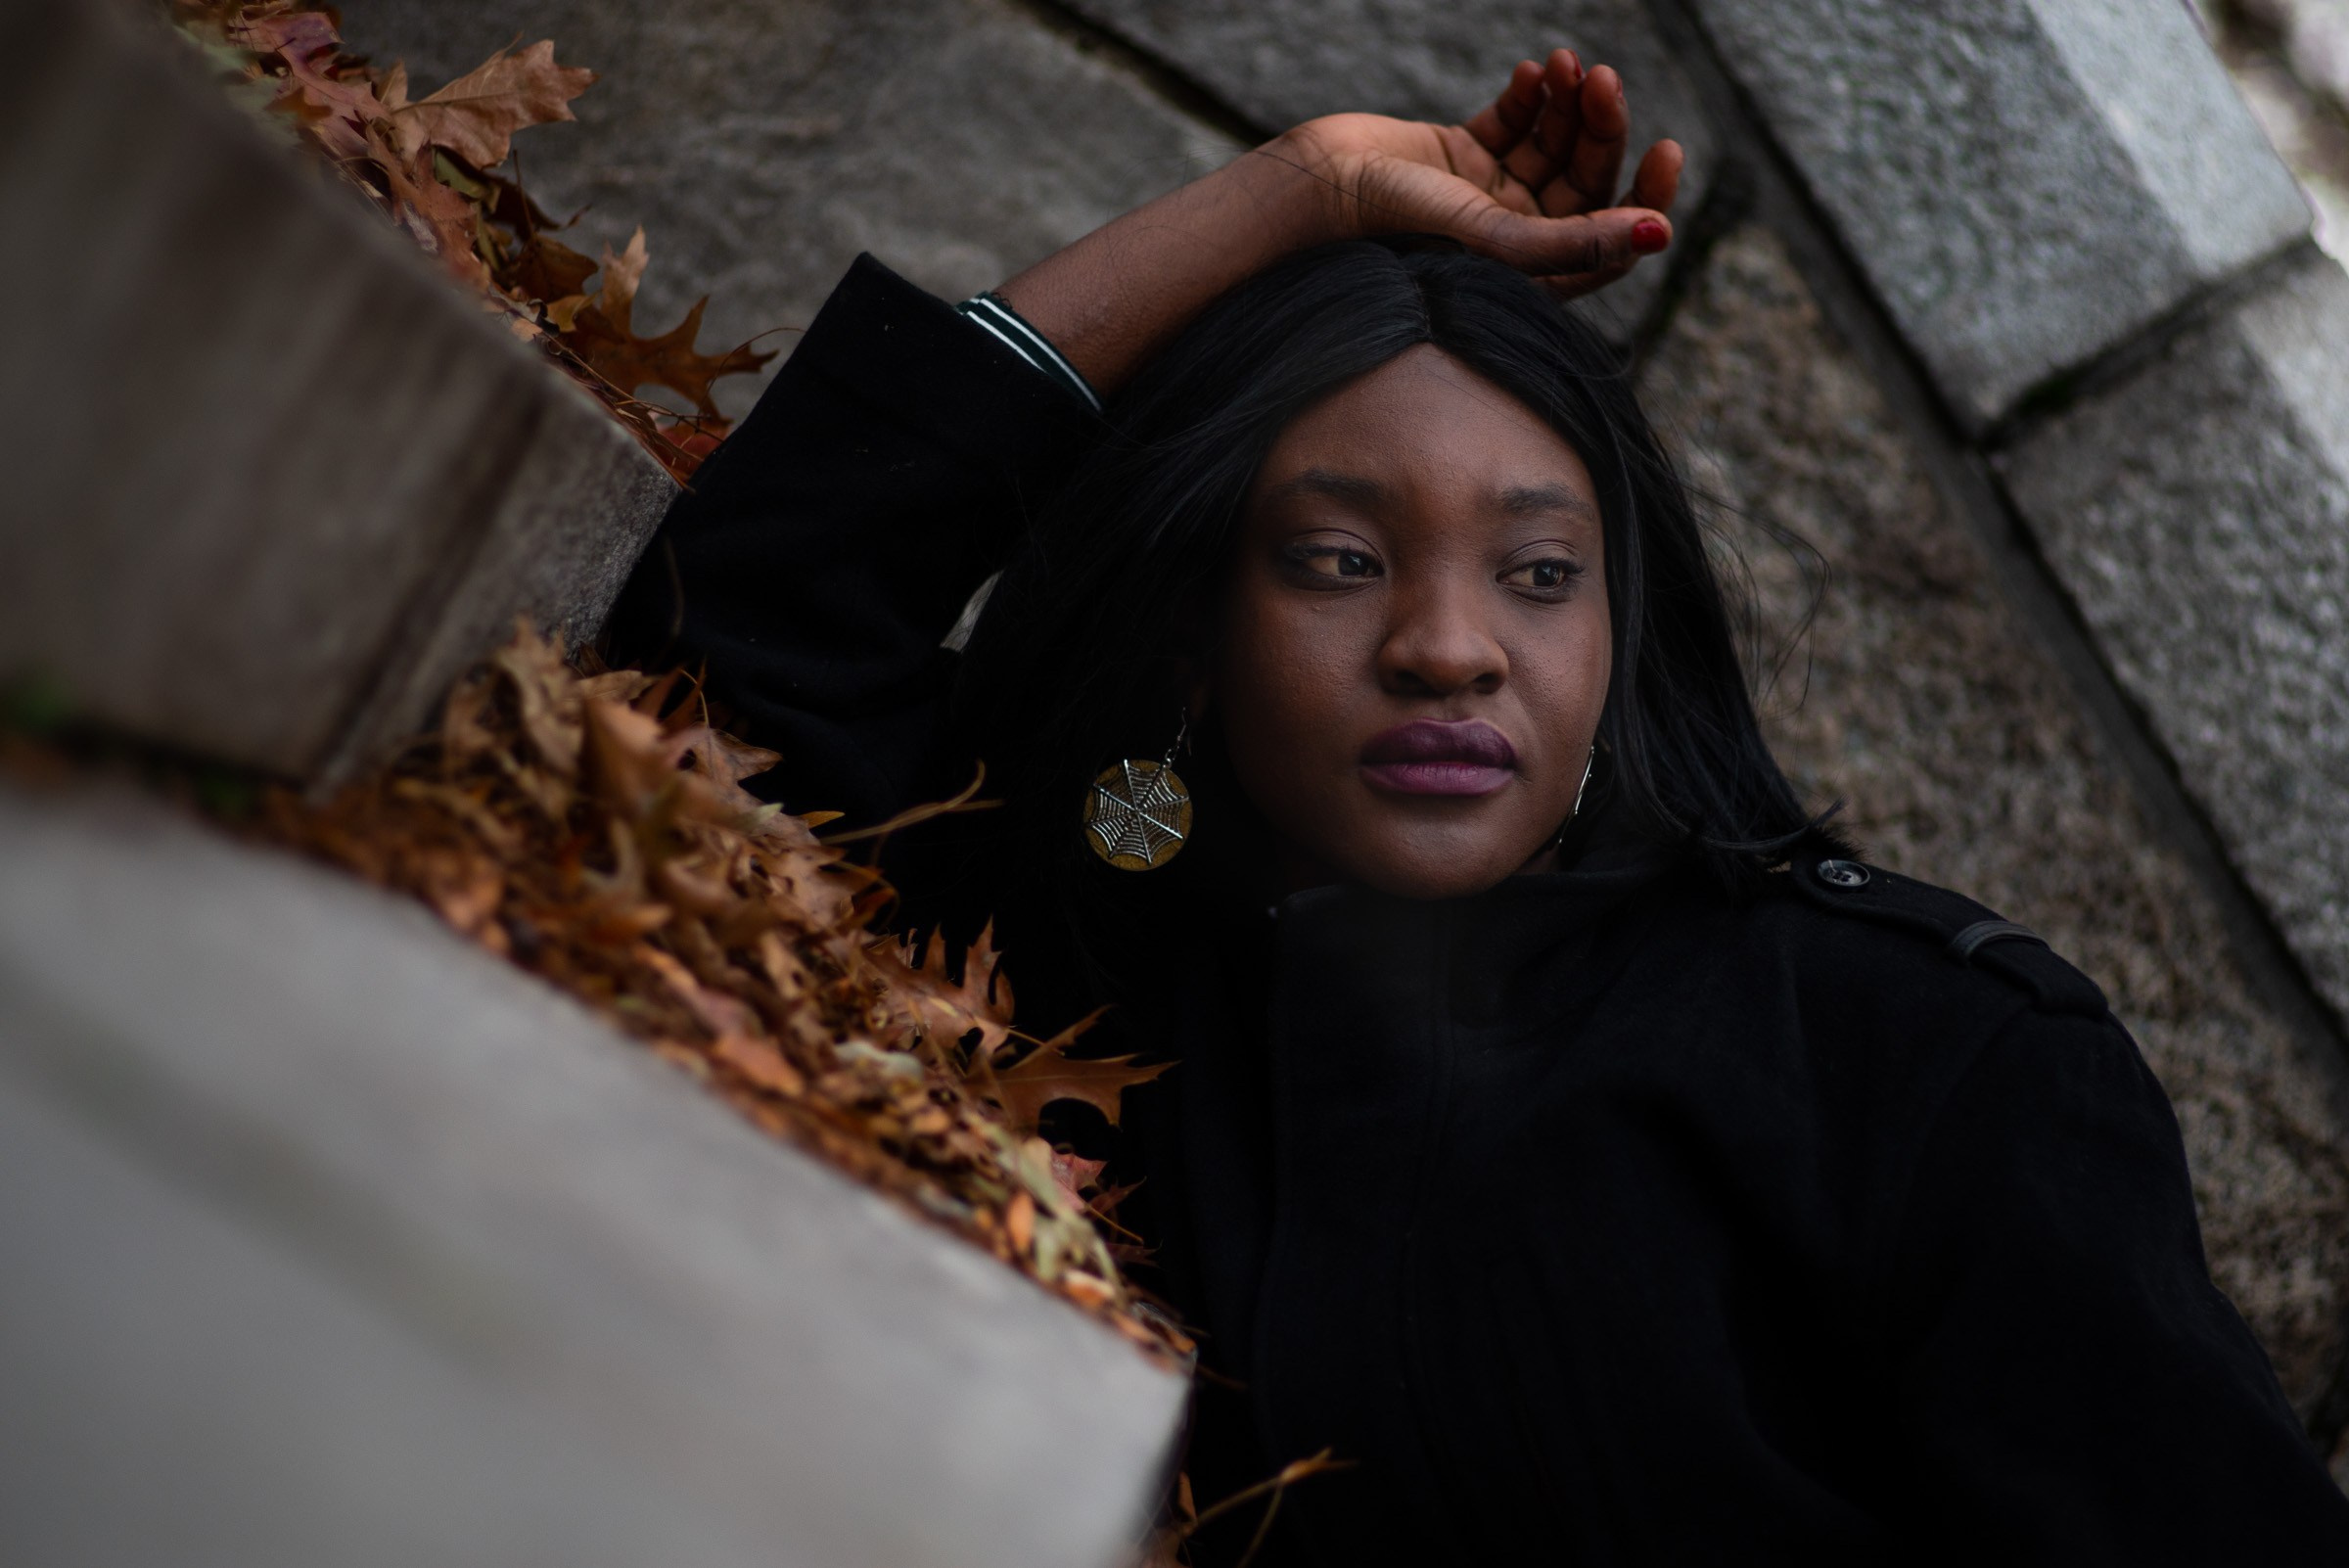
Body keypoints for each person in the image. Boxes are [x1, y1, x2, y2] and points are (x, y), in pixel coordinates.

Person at [606, 49, 2349, 1565]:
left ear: (1619, 625)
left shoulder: (1921, 1060)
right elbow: (747, 629)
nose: (1449, 649)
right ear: (1198, 634)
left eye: (1537, 570)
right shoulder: (1084, 956)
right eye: (1339, 560)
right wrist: (1301, 192)